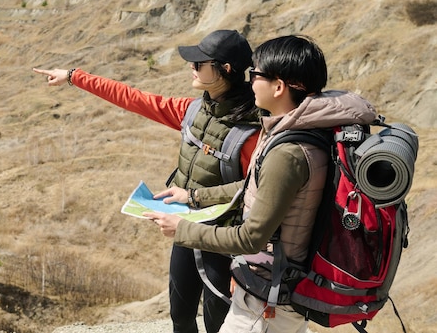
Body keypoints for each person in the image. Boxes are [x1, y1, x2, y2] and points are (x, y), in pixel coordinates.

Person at [144, 35, 378, 333]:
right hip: (278, 290)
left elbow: (250, 238)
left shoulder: (289, 152)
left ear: (279, 87)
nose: (249, 81)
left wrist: (182, 229)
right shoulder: (294, 130)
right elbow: (255, 186)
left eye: (255, 74)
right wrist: (192, 196)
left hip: (269, 299)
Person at [33, 30, 261, 333]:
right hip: (184, 227)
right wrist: (74, 76)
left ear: (226, 70)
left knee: (217, 321)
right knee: (180, 316)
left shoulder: (253, 132)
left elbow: (257, 191)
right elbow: (135, 99)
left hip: (223, 241)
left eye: (198, 64)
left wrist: (193, 197)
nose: (190, 67)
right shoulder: (193, 110)